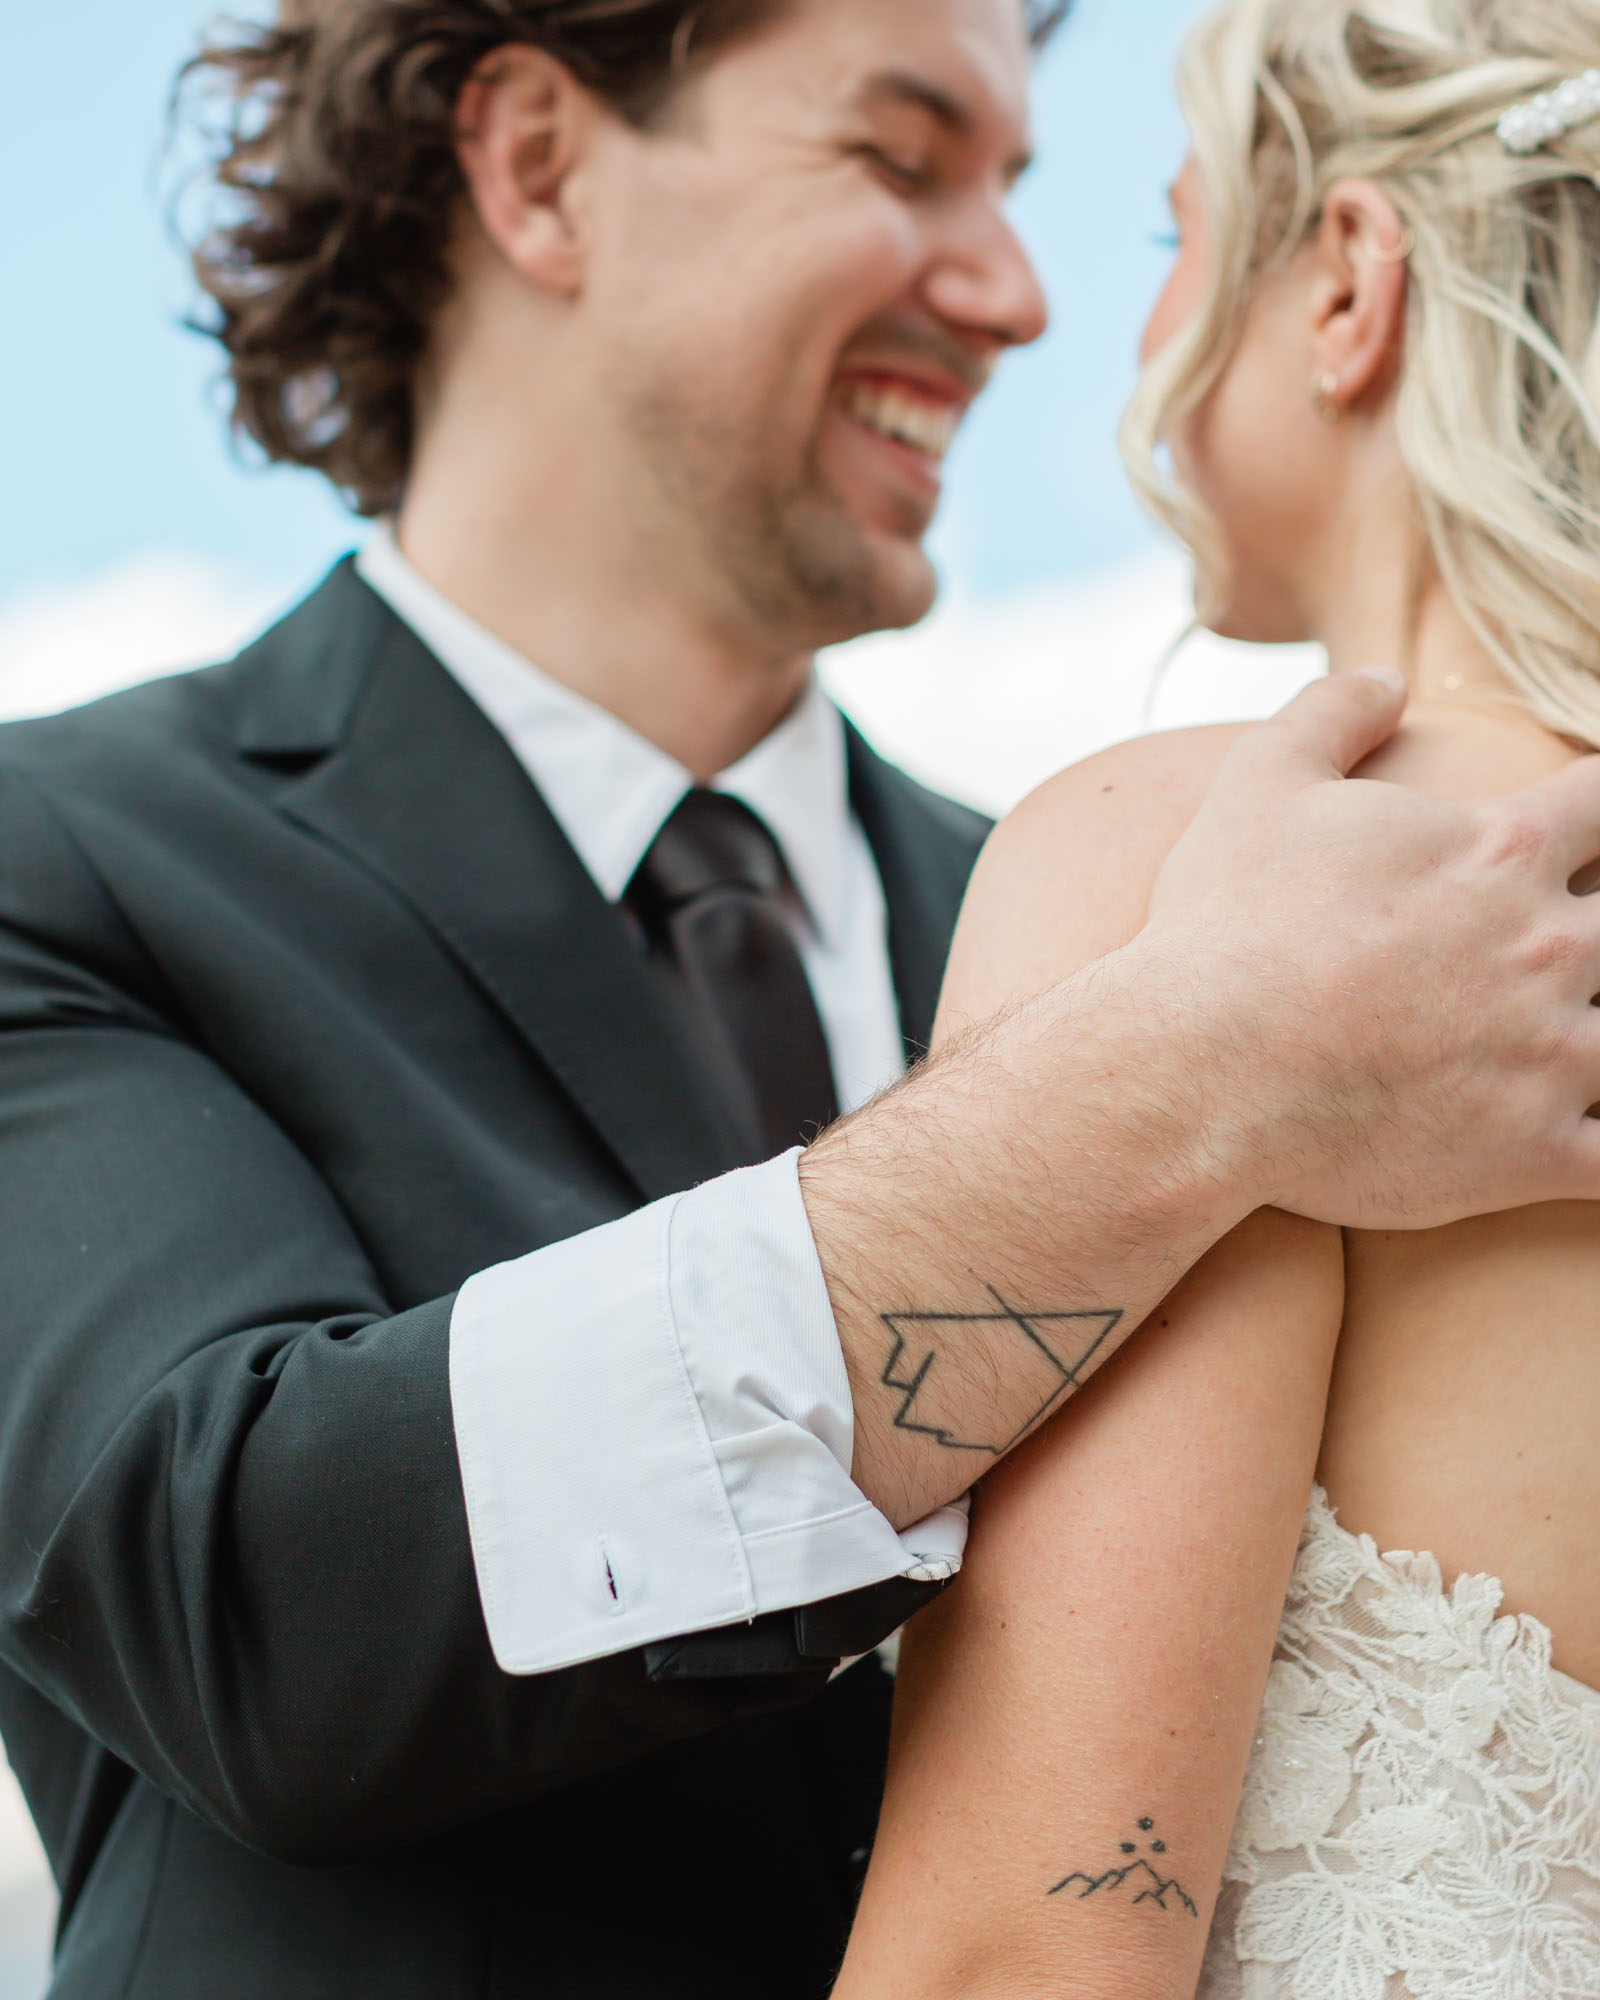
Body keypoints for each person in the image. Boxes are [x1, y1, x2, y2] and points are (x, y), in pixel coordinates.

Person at [2, 0, 1600, 1994]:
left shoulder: (1177, 893)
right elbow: (243, 1600)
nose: (1015, 294)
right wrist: (1173, 1078)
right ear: (534, 164)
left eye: (1020, 193)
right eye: (897, 156)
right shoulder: (56, 858)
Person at [831, 4, 1600, 1997]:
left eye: (1178, 231)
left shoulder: (1215, 869)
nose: (1128, 318)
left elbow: (1019, 1949)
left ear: (1346, 278)